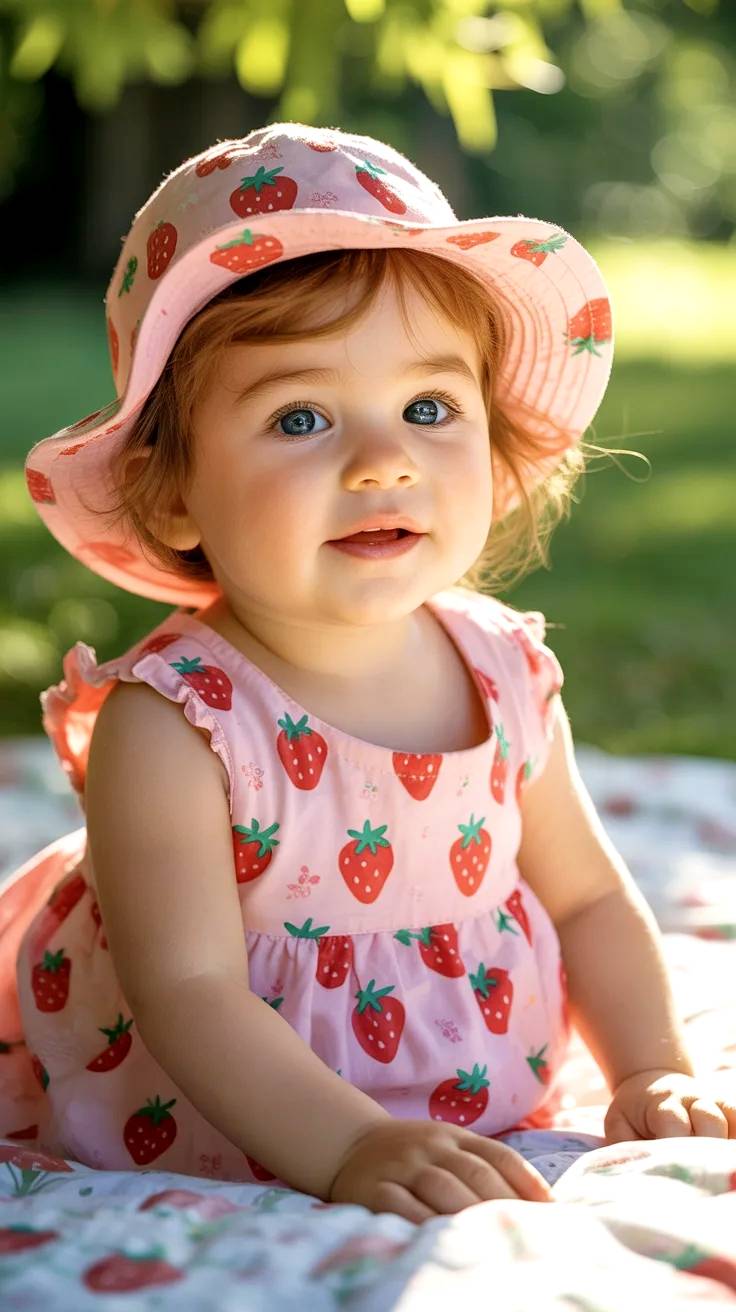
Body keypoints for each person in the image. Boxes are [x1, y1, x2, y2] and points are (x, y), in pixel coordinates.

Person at [1, 121, 730, 1227]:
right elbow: (187, 990)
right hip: (242, 1123)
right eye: (299, 417)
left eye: (429, 408)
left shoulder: (503, 667)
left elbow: (587, 894)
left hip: (478, 1105)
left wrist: (647, 1065)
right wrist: (350, 1145)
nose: (383, 459)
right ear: (176, 490)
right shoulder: (176, 723)